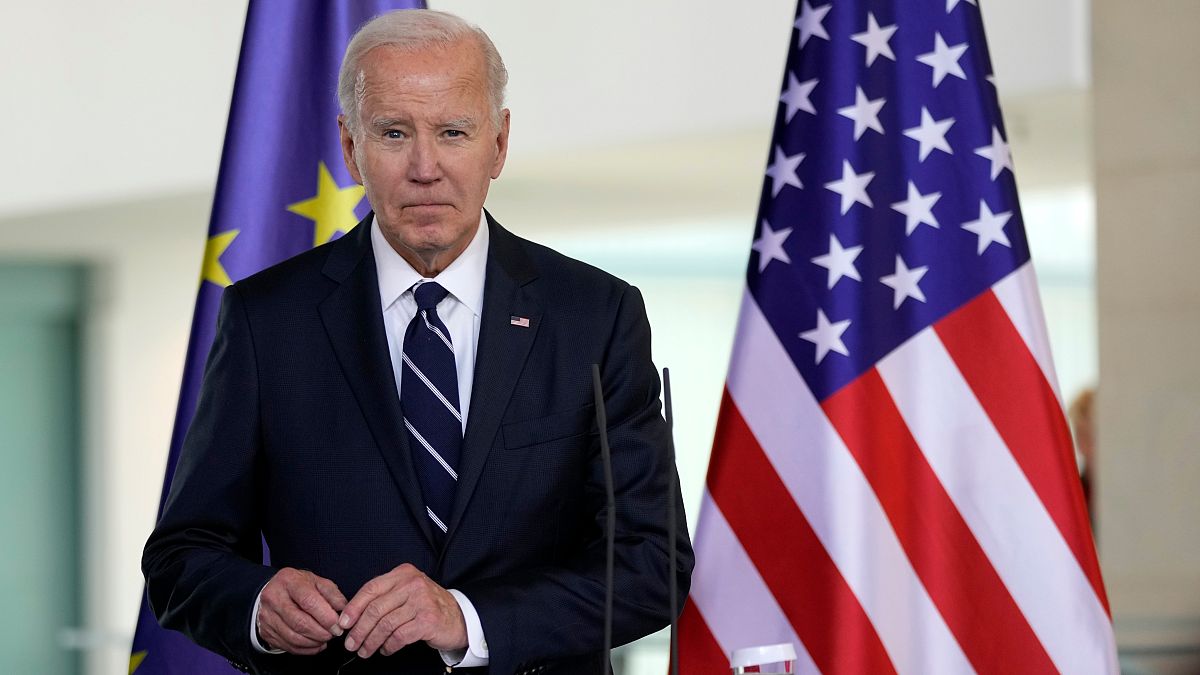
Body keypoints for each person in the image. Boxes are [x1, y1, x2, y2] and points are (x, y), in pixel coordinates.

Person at [142, 9, 693, 675]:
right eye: (394, 133)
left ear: (499, 143)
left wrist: (467, 619)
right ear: (351, 147)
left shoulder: (595, 315)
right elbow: (181, 558)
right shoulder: (266, 319)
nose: (425, 167)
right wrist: (258, 604)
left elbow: (652, 563)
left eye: (453, 132)